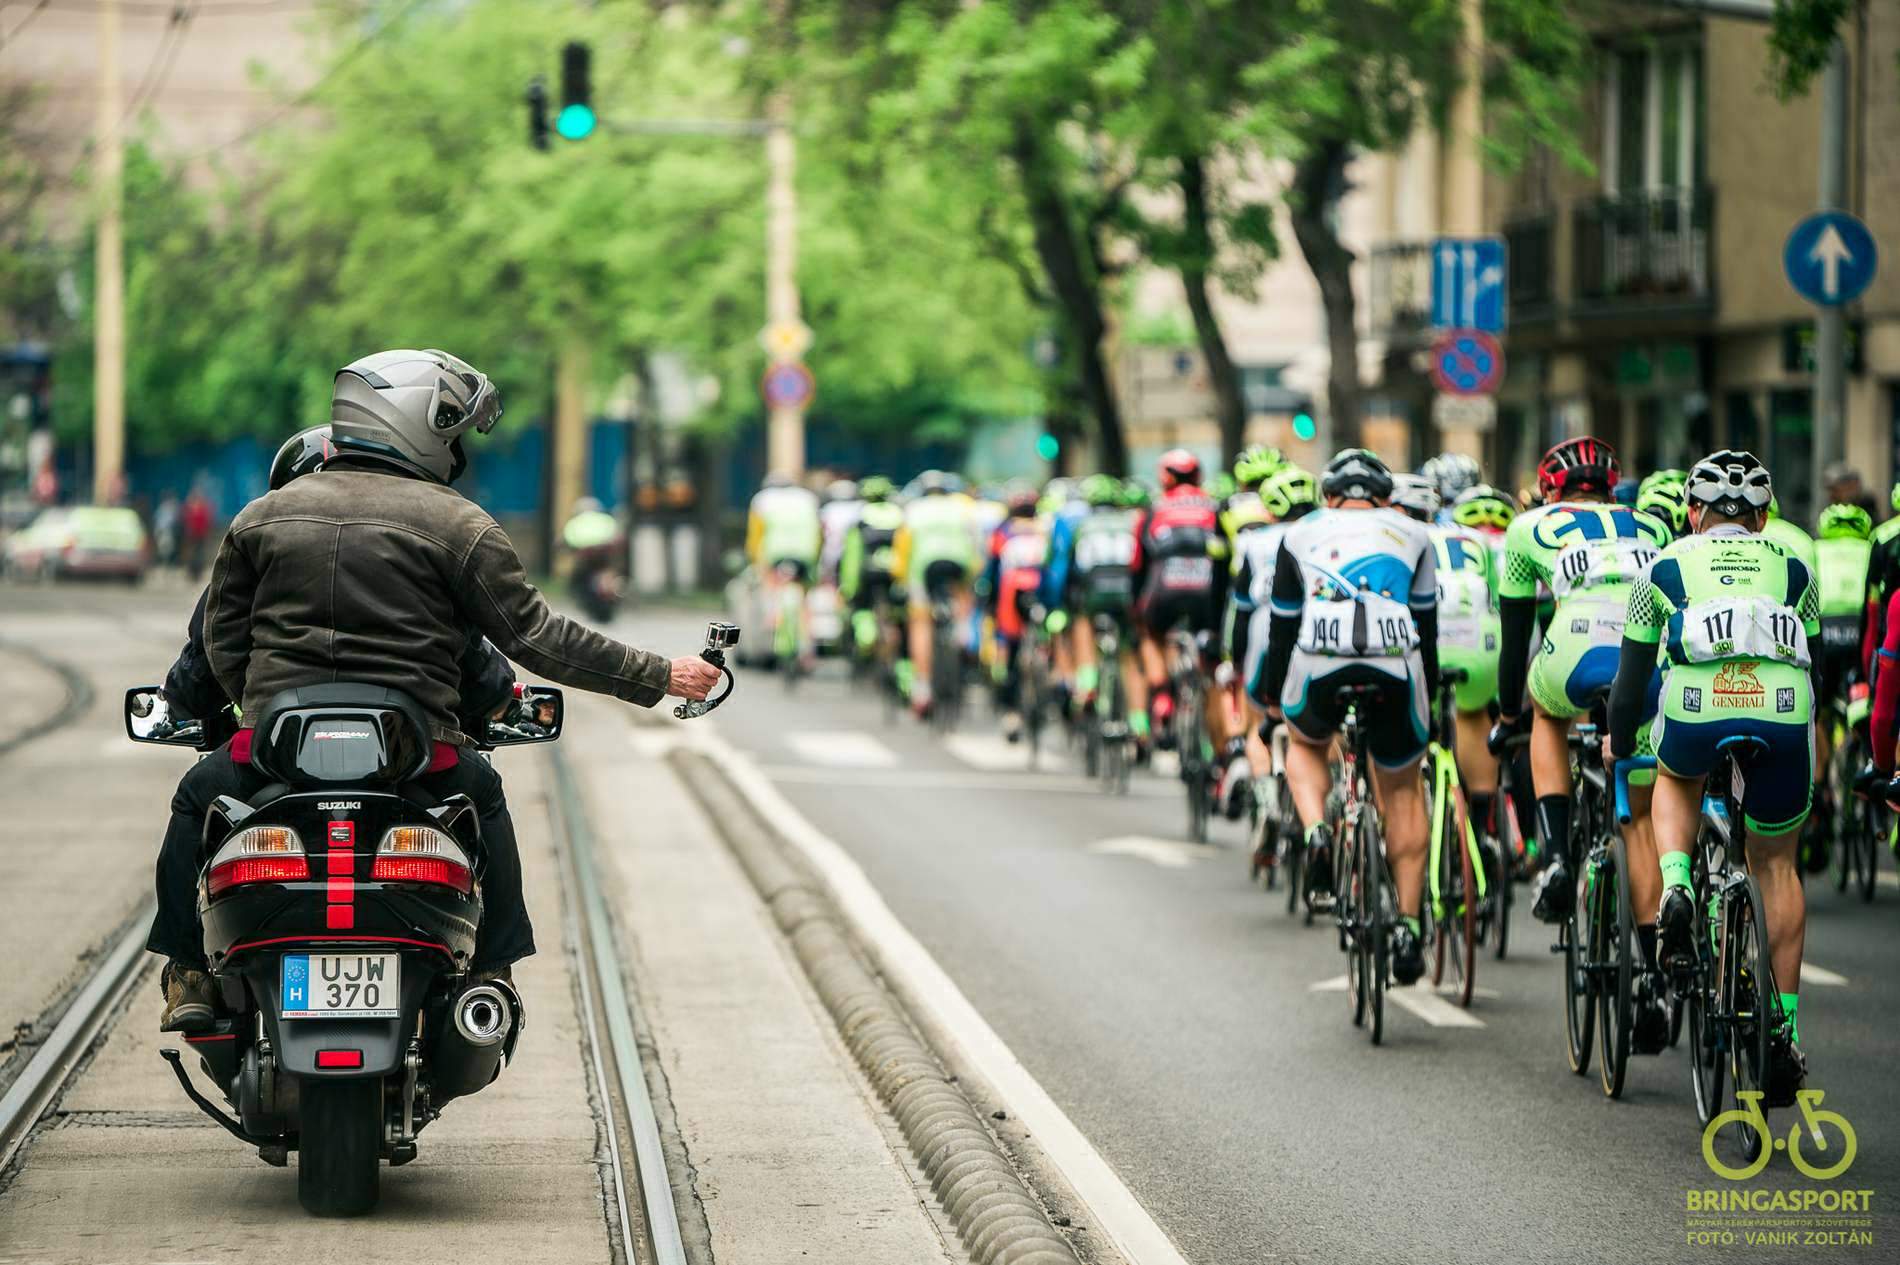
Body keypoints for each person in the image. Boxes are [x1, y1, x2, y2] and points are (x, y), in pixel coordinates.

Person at [162, 350, 721, 1032]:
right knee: (485, 799)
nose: (457, 455)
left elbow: (222, 641)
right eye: (452, 436)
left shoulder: (259, 518)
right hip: (420, 754)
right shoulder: (459, 525)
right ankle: (490, 973)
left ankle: (188, 971)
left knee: (195, 799)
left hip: (274, 750)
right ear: (415, 425)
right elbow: (537, 638)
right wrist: (660, 674)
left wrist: (255, 709)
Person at [1608, 451, 1816, 1096]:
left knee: (1675, 779)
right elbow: (1817, 662)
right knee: (1776, 866)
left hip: (1699, 706)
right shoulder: (1794, 564)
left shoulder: (1664, 565)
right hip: (1783, 709)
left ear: (1693, 512)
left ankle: (1676, 886)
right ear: (1762, 517)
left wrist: (1619, 742)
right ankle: (1783, 1033)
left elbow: (1630, 684)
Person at [1260, 449, 1437, 983]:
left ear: (1329, 496)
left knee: (1305, 744)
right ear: (1384, 497)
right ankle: (1409, 927)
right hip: (1395, 666)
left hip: (1320, 662)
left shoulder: (1299, 534)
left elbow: (1282, 628)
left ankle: (1317, 830)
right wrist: (1430, 698)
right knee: (1402, 788)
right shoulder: (1415, 534)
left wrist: (1272, 701)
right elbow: (1426, 628)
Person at [1493, 438, 1670, 926]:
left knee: (1547, 713)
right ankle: (1653, 953)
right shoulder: (1654, 525)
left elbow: (1515, 639)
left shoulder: (1527, 527)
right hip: (1645, 659)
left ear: (1550, 490)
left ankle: (1554, 857)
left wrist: (1508, 716)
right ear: (1611, 491)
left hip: (1574, 650)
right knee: (1639, 820)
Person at [1230, 464, 1318, 856]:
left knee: (1258, 725)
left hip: (1262, 635)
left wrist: (1236, 662)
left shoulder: (1253, 541)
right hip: (1311, 634)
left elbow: (1241, 609)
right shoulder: (1319, 535)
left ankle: (1266, 800)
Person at [1132, 450, 1229, 756]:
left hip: (1164, 590)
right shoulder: (1215, 506)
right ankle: (1221, 751)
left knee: (1150, 634)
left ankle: (1162, 693)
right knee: (1212, 664)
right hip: (1207, 590)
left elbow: (1138, 562)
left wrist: (1137, 608)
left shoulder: (1154, 508)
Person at [892, 471, 979, 718]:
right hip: (958, 563)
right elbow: (976, 547)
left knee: (920, 622)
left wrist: (901, 579)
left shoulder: (913, 510)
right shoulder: (963, 509)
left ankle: (922, 689)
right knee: (963, 593)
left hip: (924, 568)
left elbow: (902, 552)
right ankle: (963, 632)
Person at [982, 486, 1051, 741]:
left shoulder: (1003, 531)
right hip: (1041, 591)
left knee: (1011, 653)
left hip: (1011, 593)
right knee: (1047, 641)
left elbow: (992, 569)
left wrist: (988, 601)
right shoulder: (1046, 529)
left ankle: (1011, 714)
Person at [747, 472, 823, 670]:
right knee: (804, 602)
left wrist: (757, 561)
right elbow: (818, 531)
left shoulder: (761, 500)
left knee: (771, 586)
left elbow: (755, 536)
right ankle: (808, 650)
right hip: (805, 553)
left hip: (776, 553)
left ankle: (773, 618)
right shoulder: (807, 498)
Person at [839, 475, 905, 664]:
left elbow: (852, 555)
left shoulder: (860, 516)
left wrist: (848, 587)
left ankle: (866, 638)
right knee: (898, 614)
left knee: (863, 607)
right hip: (894, 572)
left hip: (868, 571)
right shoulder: (900, 515)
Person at [181, 485, 214, 581]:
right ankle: (191, 572)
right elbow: (185, 521)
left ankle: (198, 573)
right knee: (192, 554)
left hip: (200, 535)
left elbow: (207, 522)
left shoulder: (202, 508)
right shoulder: (189, 508)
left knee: (199, 554)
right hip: (191, 535)